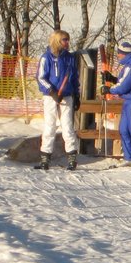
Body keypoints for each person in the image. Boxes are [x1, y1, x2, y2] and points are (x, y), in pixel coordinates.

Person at [34, 29, 80, 170]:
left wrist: (77, 95)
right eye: (64, 40)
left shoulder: (70, 58)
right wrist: (52, 91)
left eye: (68, 40)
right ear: (57, 41)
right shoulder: (46, 58)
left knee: (67, 126)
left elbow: (74, 78)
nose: (67, 42)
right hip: (51, 96)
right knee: (50, 126)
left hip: (66, 96)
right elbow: (41, 78)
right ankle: (45, 158)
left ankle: (72, 158)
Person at [102, 41, 131, 165]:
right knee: (124, 129)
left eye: (119, 53)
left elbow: (124, 86)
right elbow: (124, 81)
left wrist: (109, 90)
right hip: (128, 100)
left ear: (124, 54)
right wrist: (113, 79)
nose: (118, 56)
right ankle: (129, 157)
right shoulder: (129, 65)